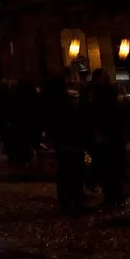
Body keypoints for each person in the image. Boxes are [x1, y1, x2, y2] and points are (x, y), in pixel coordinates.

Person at [43, 77, 84, 214]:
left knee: (64, 173)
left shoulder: (51, 102)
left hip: (62, 141)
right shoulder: (67, 101)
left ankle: (66, 202)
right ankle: (76, 202)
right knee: (74, 172)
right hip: (71, 140)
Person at [86, 70, 126, 208]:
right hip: (105, 135)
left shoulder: (105, 94)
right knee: (108, 168)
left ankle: (115, 196)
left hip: (108, 135)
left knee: (111, 168)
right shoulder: (100, 94)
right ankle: (112, 196)